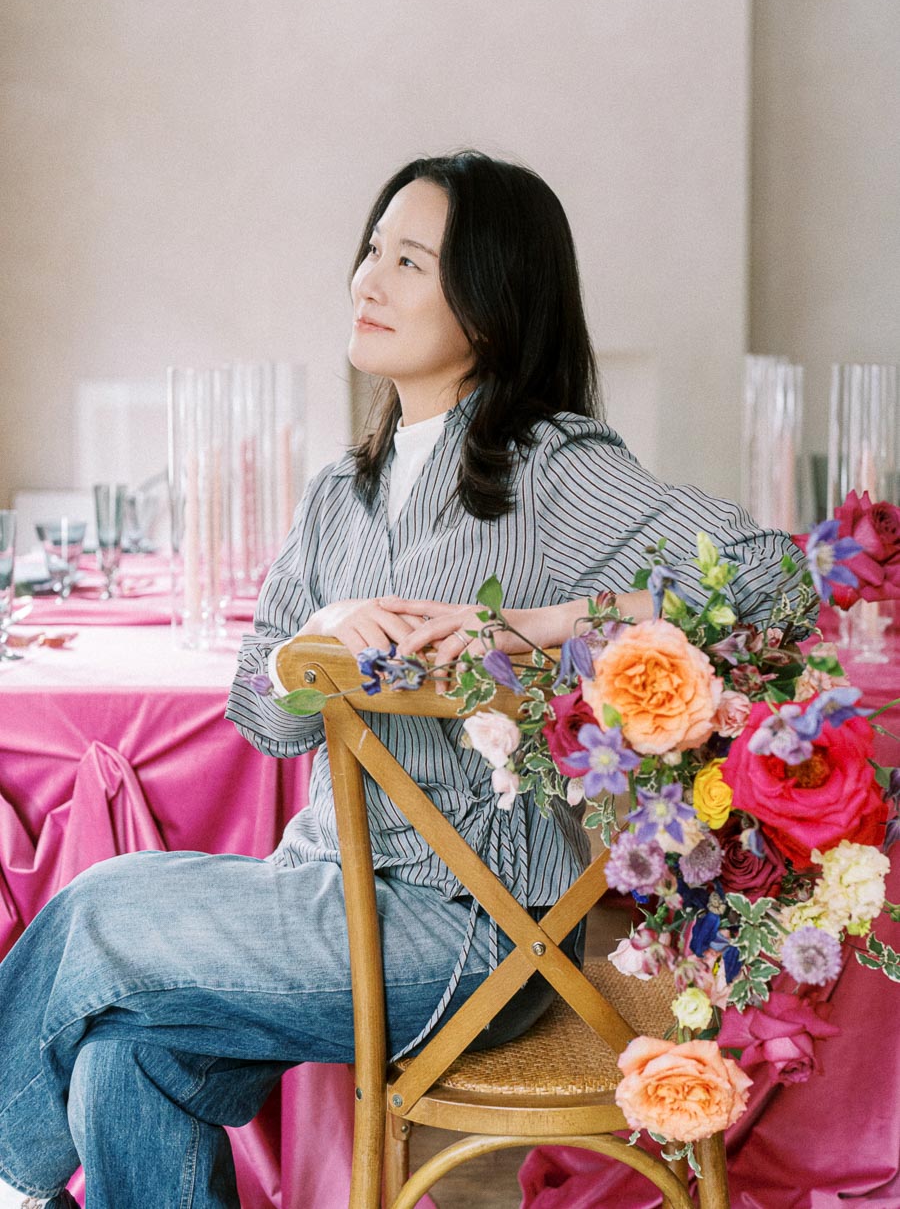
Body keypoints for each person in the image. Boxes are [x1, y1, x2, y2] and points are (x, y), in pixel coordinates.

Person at [0, 152, 801, 1209]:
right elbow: (261, 709)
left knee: (99, 908)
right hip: (322, 896)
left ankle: (9, 1178)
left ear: (491, 299)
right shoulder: (344, 490)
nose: (367, 281)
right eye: (372, 250)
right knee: (126, 1055)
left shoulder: (552, 469)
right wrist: (316, 638)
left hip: (476, 926)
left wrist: (530, 624)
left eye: (410, 260)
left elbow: (775, 582)